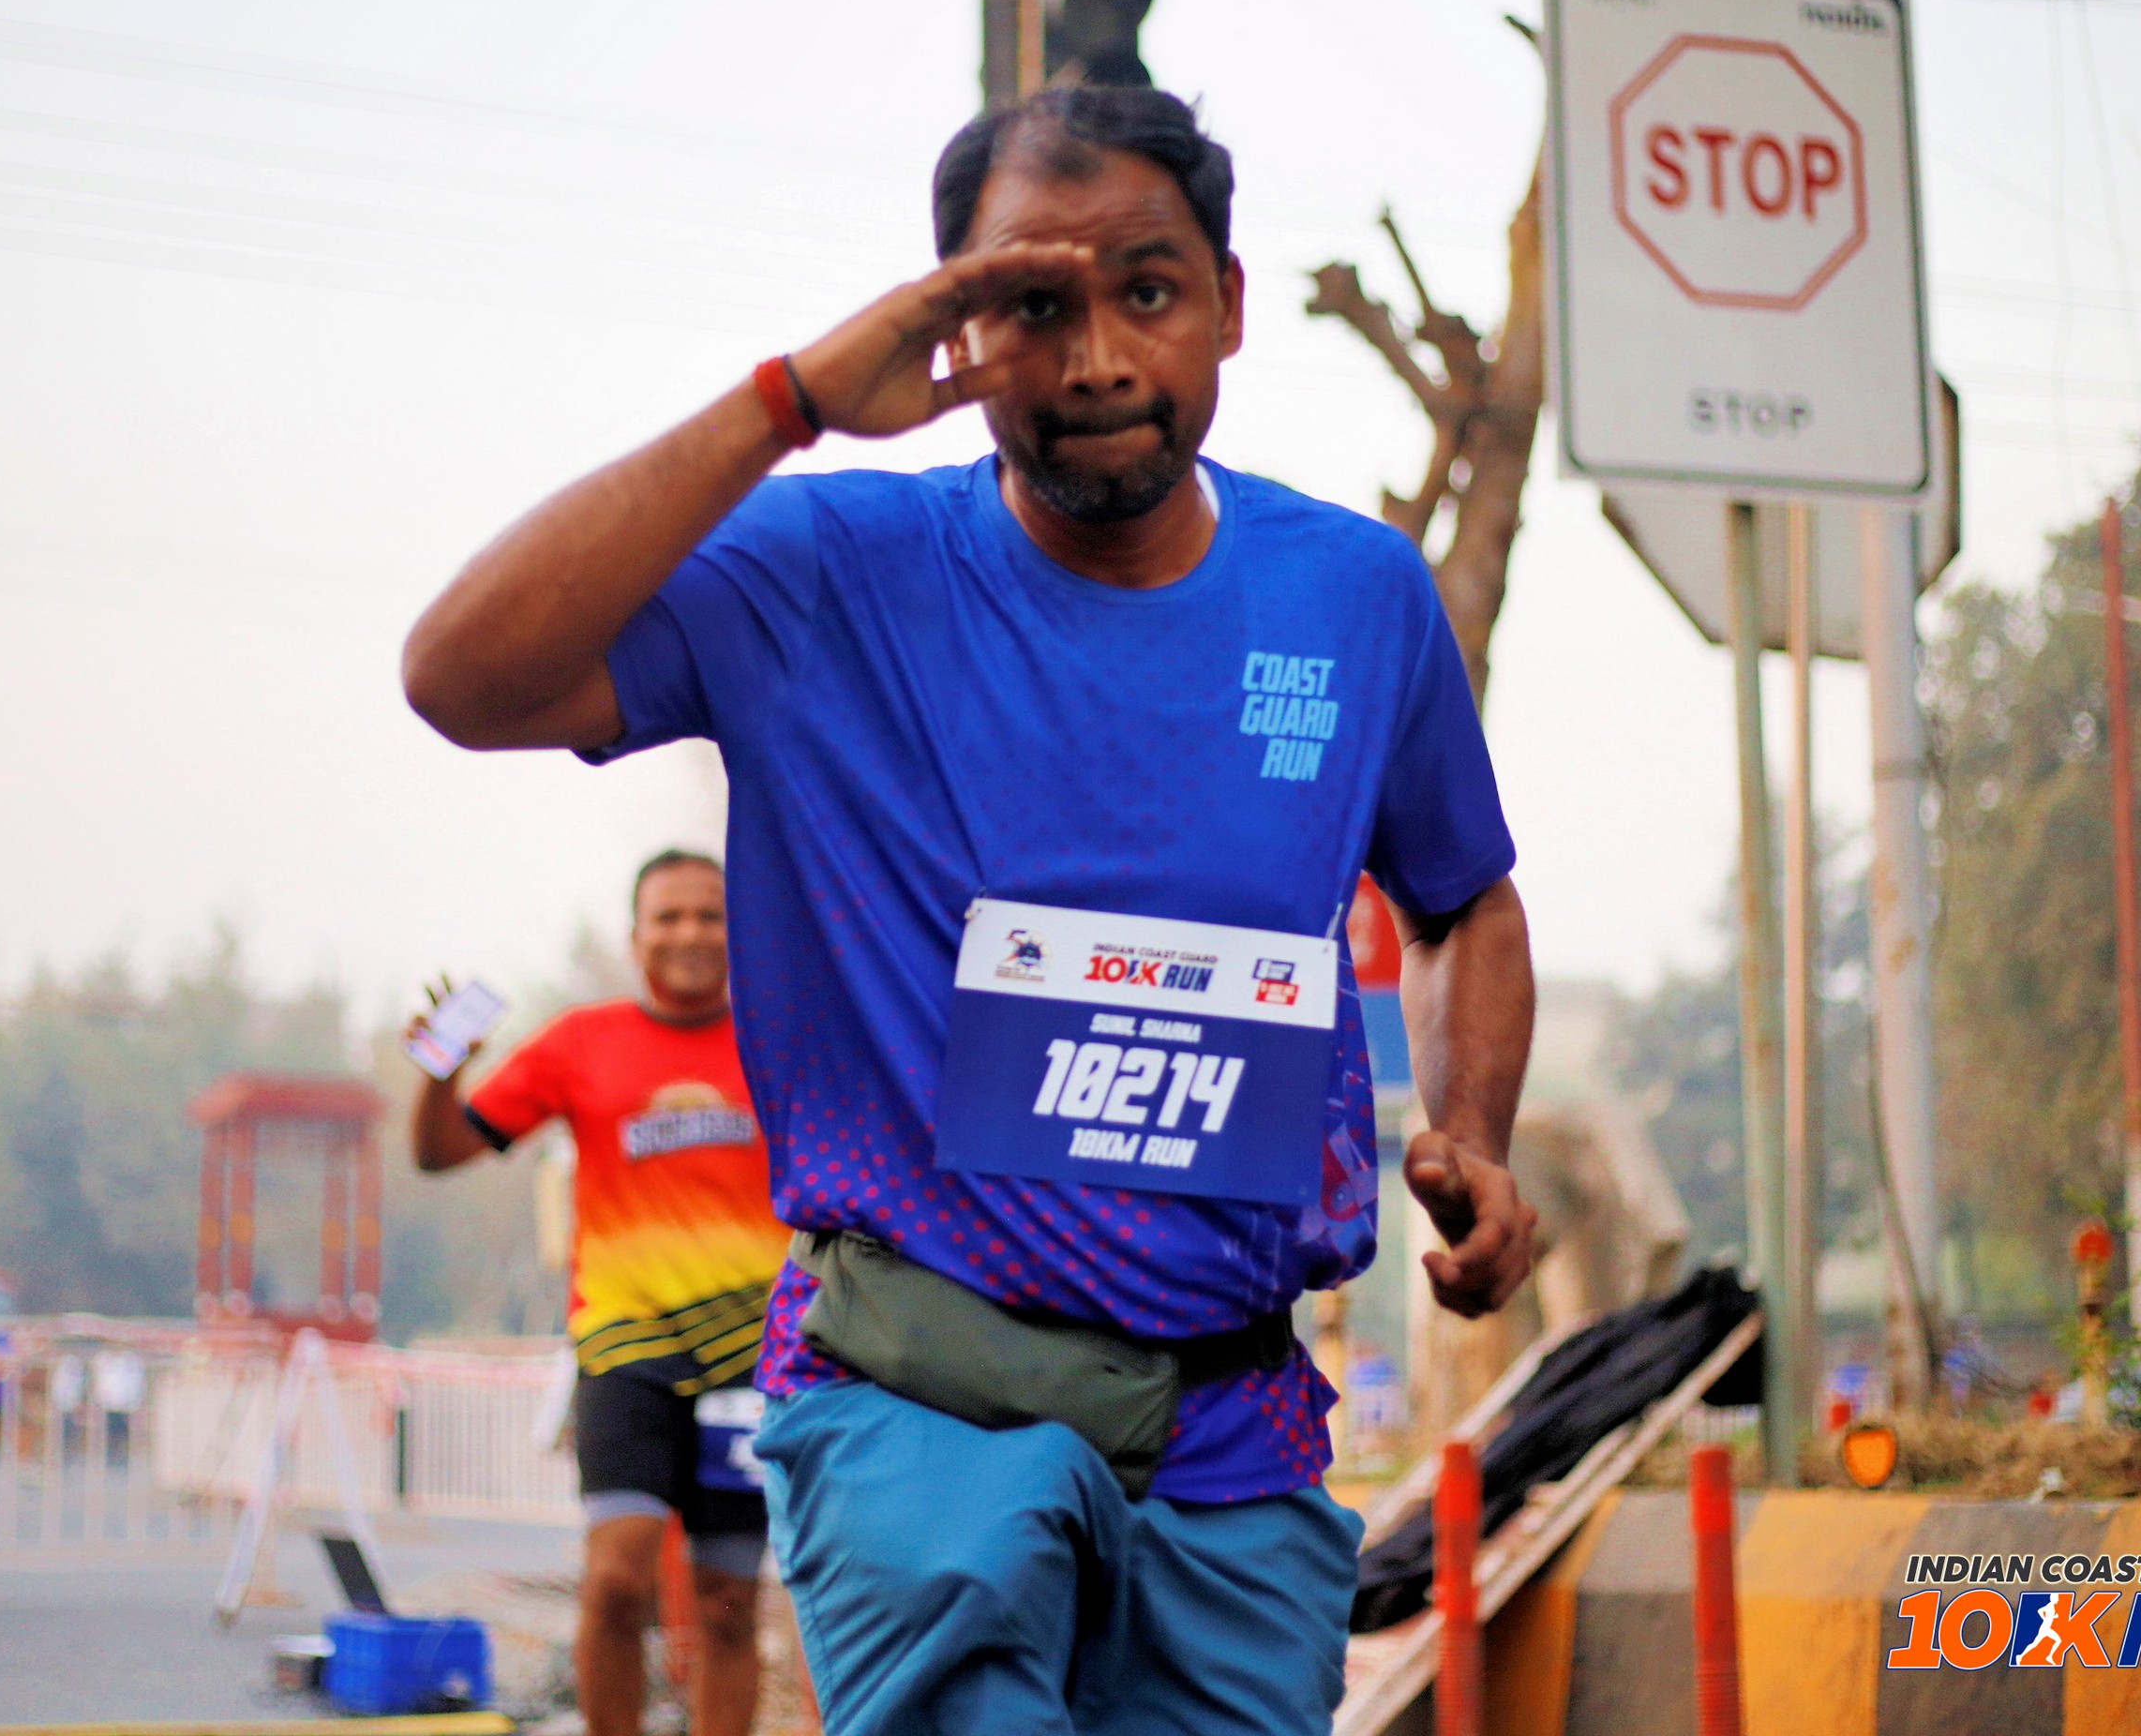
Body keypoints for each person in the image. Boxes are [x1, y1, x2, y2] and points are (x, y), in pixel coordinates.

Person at [402, 85, 1538, 1735]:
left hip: (1236, 1442)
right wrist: (791, 402)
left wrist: (1475, 1130)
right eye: (1033, 307)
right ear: (954, 329)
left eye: (1148, 291)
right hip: (920, 1409)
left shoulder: (1356, 596)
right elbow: (463, 674)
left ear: (1228, 302)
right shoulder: (820, 570)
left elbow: (1459, 900)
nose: (1099, 360)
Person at [411, 850, 789, 1736]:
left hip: (751, 1356)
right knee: (618, 1581)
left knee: (729, 1601)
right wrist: (441, 1069)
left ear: (738, 931)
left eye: (711, 915)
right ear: (636, 937)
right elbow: (440, 1152)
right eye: (669, 917)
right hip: (627, 1346)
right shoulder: (581, 1042)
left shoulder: (781, 1037)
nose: (690, 933)